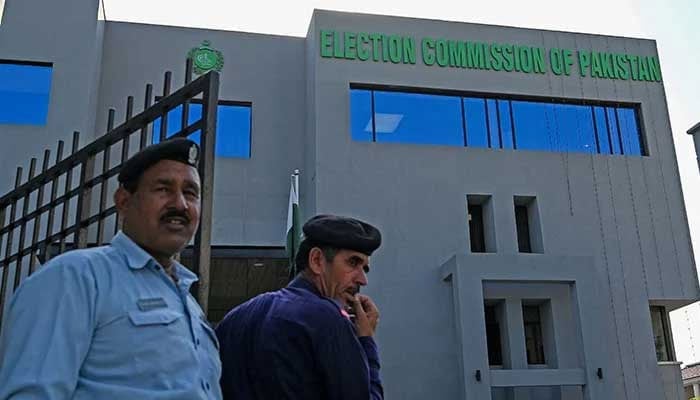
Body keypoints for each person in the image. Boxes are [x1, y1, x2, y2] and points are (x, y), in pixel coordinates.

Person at [0, 139, 222, 399]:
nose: (180, 205)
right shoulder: (75, 277)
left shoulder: (189, 304)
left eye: (191, 193)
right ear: (124, 202)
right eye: (163, 189)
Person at [216, 214, 384, 400]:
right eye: (353, 262)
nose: (362, 279)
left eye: (365, 268)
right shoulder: (327, 318)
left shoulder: (235, 319)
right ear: (317, 260)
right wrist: (366, 341)